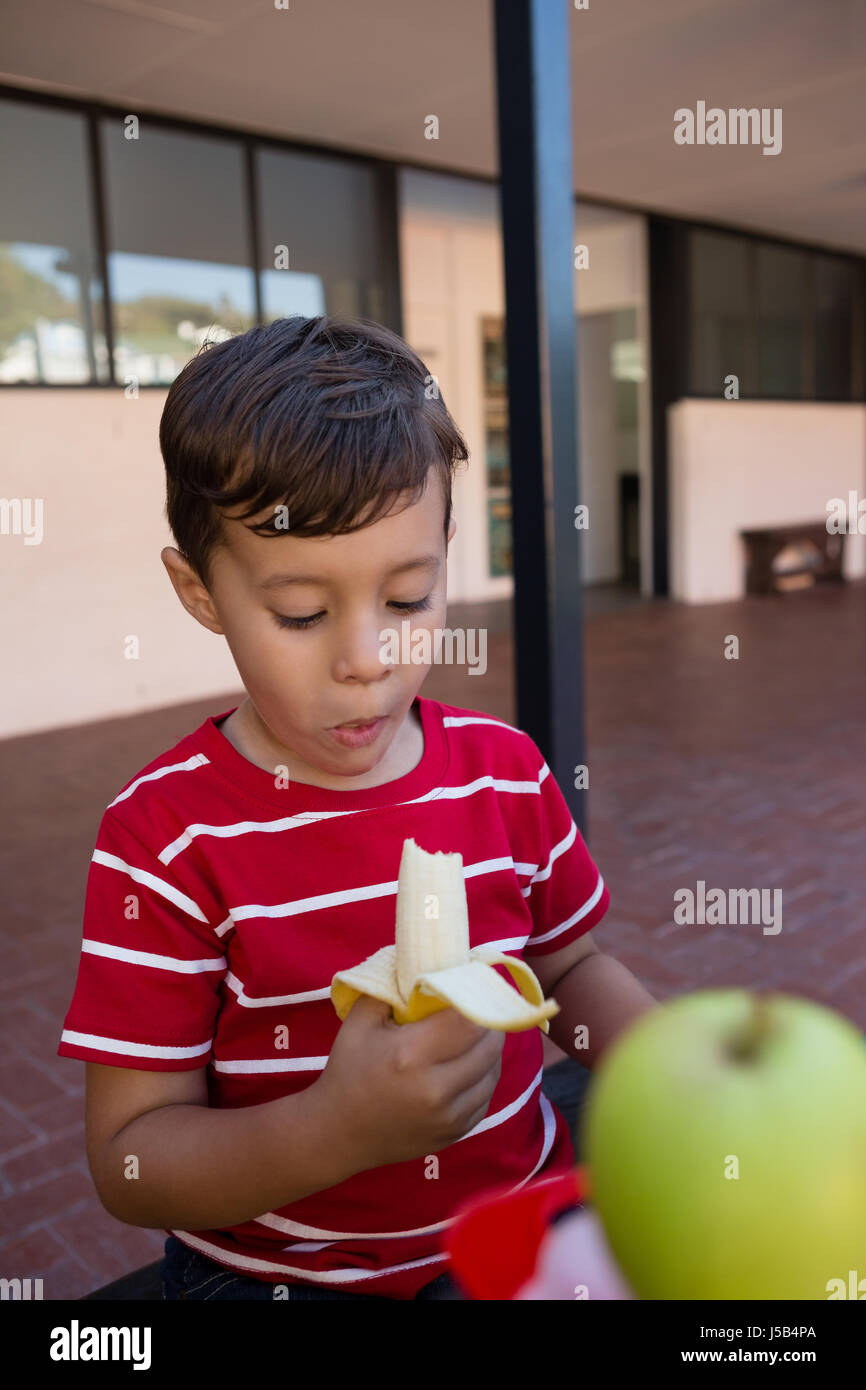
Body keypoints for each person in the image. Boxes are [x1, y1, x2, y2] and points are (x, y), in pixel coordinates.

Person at [57, 315, 656, 1301]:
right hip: (276, 1275)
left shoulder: (502, 772)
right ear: (199, 590)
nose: (366, 660)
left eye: (409, 596)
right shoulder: (162, 840)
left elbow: (569, 962)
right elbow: (129, 1158)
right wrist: (337, 1128)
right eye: (300, 613)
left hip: (517, 1229)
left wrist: (670, 1069)